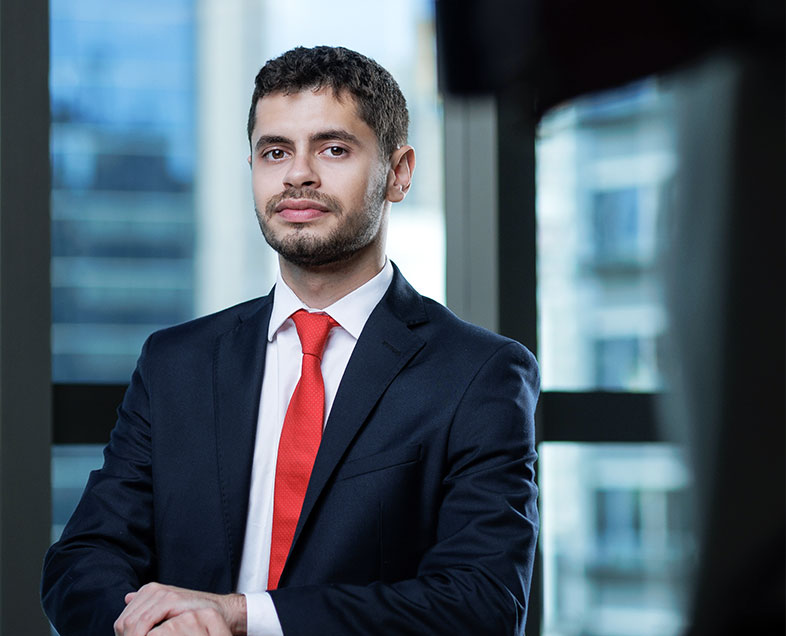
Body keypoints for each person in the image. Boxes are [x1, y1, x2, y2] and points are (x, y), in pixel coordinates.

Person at [41, 45, 540, 636]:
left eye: (333, 149)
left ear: (399, 173)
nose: (298, 174)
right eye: (275, 151)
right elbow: (81, 561)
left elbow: (481, 604)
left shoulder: (478, 374)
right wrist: (152, 628)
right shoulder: (178, 362)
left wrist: (243, 615)